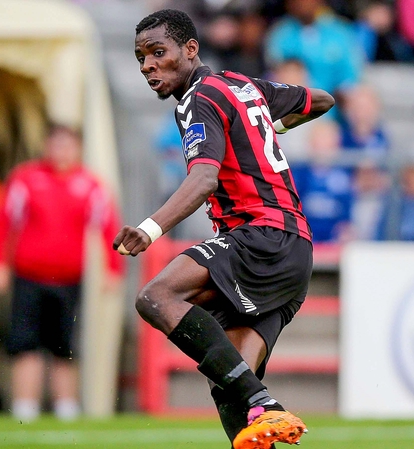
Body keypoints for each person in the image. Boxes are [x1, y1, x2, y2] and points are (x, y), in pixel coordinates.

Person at [114, 10, 334, 449]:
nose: (147, 66)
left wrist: (149, 229)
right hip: (295, 252)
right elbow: (323, 99)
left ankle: (265, 402)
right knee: (231, 390)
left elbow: (203, 179)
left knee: (156, 296)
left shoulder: (198, 98)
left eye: (158, 53)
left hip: (260, 236)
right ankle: (258, 405)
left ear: (190, 50)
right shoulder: (244, 86)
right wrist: (273, 124)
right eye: (141, 58)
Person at [0, 126, 124, 422]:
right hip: (29, 277)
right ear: (47, 145)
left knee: (64, 345)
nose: (61, 151)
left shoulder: (90, 185)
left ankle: (65, 406)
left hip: (69, 281)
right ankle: (25, 405)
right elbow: (3, 222)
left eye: (68, 145)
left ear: (78, 149)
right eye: (56, 144)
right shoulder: (26, 178)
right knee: (25, 343)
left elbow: (109, 227)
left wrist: (113, 269)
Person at [265, 0, 363, 99]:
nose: (304, 3)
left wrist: (344, 92)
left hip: (337, 102)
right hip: (297, 102)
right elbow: (273, 71)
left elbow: (352, 73)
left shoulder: (340, 31)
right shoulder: (280, 33)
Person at [290, 120, 353, 243]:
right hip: (304, 234)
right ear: (311, 144)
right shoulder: (300, 174)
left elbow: (346, 213)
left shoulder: (343, 177)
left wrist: (345, 229)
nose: (324, 149)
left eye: (328, 143)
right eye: (319, 142)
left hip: (333, 238)